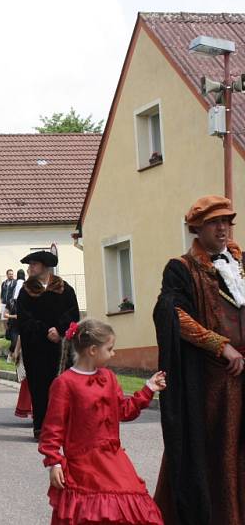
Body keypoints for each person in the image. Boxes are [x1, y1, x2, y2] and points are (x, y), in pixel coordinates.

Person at [153, 195, 245, 525]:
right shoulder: (181, 268)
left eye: (227, 222)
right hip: (212, 382)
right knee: (217, 449)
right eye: (214, 222)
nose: (223, 228)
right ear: (197, 227)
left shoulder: (241, 263)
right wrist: (221, 346)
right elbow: (172, 314)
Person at [39, 319, 166, 525]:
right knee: (90, 513)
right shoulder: (65, 383)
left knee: (132, 505)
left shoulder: (109, 377)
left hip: (113, 457)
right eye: (110, 349)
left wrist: (148, 389)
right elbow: (53, 428)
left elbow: (123, 411)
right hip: (83, 463)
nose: (113, 354)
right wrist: (54, 461)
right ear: (92, 350)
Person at [16, 250, 80, 441]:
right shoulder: (26, 292)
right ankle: (41, 426)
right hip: (36, 347)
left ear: (44, 266)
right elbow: (24, 319)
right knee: (39, 386)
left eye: (33, 264)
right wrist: (45, 331)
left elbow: (73, 314)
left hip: (60, 347)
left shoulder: (64, 288)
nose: (29, 268)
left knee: (61, 385)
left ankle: (63, 426)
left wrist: (59, 330)